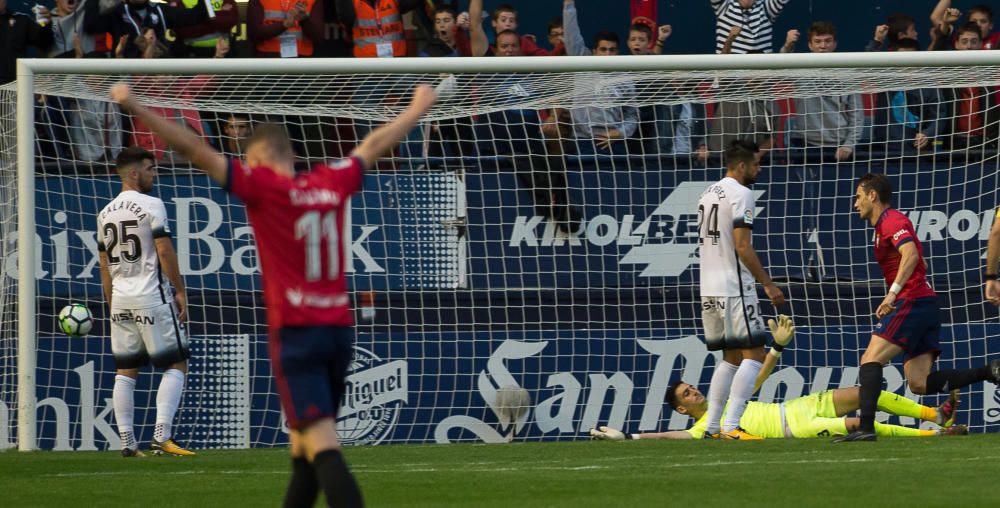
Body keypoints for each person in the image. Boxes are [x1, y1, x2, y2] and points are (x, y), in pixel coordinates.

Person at [111, 81, 436, 506]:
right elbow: (373, 144)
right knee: (302, 449)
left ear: (258, 159)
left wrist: (135, 104)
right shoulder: (331, 180)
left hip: (297, 334)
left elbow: (194, 149)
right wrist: (416, 108)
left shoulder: (264, 188)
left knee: (322, 444)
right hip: (338, 331)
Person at [589, 315, 967, 440]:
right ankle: (934, 435)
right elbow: (668, 437)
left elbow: (756, 377)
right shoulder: (703, 430)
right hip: (795, 428)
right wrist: (632, 436)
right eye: (686, 395)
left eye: (690, 387)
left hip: (797, 405)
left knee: (868, 393)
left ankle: (933, 414)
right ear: (684, 410)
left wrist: (777, 346)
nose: (694, 392)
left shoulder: (727, 403)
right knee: (857, 423)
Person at [835, 173, 1000, 442]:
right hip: (924, 303)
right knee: (919, 383)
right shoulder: (883, 227)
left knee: (870, 359)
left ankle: (865, 428)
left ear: (872, 195)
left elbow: (911, 254)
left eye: (858, 196)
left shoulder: (893, 220)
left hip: (911, 300)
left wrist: (892, 294)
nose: (855, 204)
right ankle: (989, 371)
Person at [97, 147, 193, 458]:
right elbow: (164, 250)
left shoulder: (105, 213)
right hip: (151, 294)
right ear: (135, 173)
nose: (154, 174)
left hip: (122, 297)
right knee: (176, 362)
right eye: (150, 169)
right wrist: (179, 291)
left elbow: (104, 265)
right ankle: (162, 437)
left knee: (126, 370)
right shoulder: (152, 204)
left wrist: (112, 303)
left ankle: (127, 442)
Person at [697, 139, 785, 440]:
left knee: (731, 358)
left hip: (708, 286)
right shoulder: (742, 193)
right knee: (755, 354)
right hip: (733, 285)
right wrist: (768, 284)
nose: (759, 170)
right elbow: (742, 245)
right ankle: (732, 425)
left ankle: (711, 427)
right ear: (743, 165)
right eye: (757, 165)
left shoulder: (707, 193)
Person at [562, 0, 638, 155]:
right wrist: (568, 5)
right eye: (603, 49)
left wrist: (620, 133)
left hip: (613, 143)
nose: (608, 54)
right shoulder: (582, 62)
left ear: (618, 52)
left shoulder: (625, 78)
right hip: (582, 141)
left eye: (612, 50)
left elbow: (632, 115)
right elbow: (571, 35)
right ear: (594, 51)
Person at [710, 0, 791, 54]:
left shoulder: (766, 7)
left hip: (763, 76)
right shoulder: (724, 6)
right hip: (730, 77)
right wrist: (730, 39)